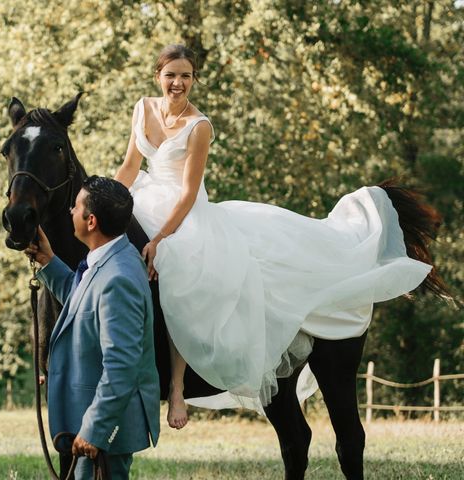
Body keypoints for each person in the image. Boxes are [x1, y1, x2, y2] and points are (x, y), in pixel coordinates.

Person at [114, 44, 433, 429]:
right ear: (157, 77)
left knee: (178, 270)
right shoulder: (143, 108)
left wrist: (161, 238)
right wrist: (107, 202)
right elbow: (130, 166)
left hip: (185, 214)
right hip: (145, 198)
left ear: (194, 79)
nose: (178, 83)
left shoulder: (200, 127)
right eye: (171, 75)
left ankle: (178, 388)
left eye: (186, 75)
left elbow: (187, 193)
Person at [25, 175, 160, 479]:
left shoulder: (118, 279)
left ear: (91, 221)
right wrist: (48, 262)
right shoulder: (111, 258)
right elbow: (83, 301)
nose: (70, 211)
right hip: (89, 418)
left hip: (103, 430)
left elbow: (121, 366)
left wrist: (96, 429)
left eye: (75, 207)